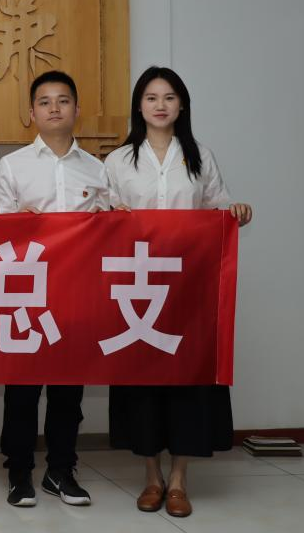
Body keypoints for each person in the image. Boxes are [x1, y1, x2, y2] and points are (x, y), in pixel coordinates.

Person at [105, 66, 252, 519]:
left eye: (169, 97)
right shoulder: (118, 160)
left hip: (188, 287)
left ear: (182, 105)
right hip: (138, 285)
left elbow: (218, 207)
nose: (160, 105)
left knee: (188, 378)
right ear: (139, 105)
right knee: (143, 381)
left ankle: (179, 480)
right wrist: (114, 215)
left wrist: (235, 210)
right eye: (151, 97)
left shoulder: (200, 155)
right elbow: (99, 218)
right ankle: (151, 476)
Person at [0, 70, 106, 508]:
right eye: (44, 101)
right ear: (31, 113)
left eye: (63, 100)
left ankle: (61, 470)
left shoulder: (97, 169)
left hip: (76, 291)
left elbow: (107, 232)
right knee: (22, 388)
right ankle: (19, 472)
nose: (54, 108)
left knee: (68, 391)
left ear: (76, 109)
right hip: (27, 291)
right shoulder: (12, 165)